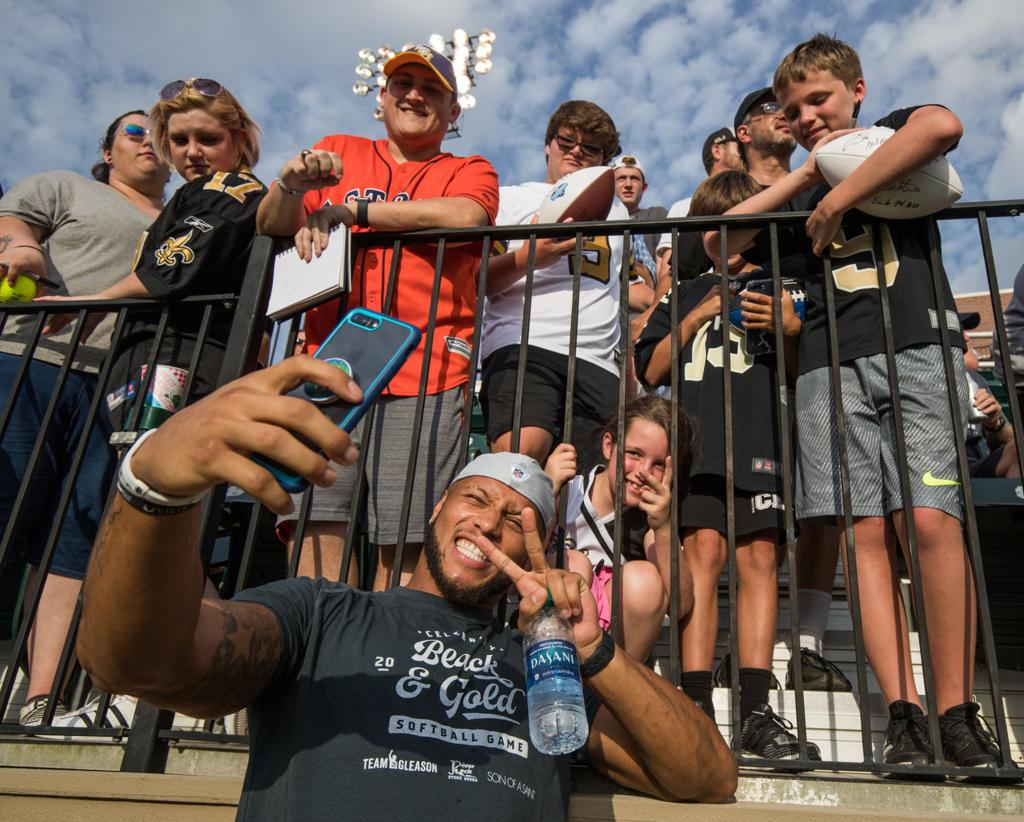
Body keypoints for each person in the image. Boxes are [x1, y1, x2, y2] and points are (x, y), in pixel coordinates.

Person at [75, 355, 738, 820]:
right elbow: (131, 663)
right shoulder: (323, 613)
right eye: (475, 498)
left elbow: (708, 776)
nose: (490, 521)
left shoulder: (545, 669)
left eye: (518, 520)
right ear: (435, 512)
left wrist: (594, 652)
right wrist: (152, 490)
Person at [706, 32, 1017, 773]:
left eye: (818, 99)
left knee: (932, 525)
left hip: (917, 348)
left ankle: (957, 709)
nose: (808, 114)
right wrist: (811, 174)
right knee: (864, 537)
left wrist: (842, 191)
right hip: (829, 366)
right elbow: (723, 244)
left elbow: (943, 127)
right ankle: (904, 713)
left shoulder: (896, 137)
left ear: (857, 90)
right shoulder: (804, 176)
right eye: (791, 109)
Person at [255, 45, 499, 590]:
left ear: (453, 111)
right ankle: (317, 658)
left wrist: (353, 212)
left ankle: (381, 667)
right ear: (382, 99)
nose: (414, 94)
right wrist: (292, 185)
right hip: (328, 370)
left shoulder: (469, 168)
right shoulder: (337, 151)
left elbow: (469, 214)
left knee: (408, 536)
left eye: (431, 88)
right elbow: (270, 225)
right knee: (314, 522)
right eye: (402, 84)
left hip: (427, 370)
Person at [635, 171, 816, 761]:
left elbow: (799, 368)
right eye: (720, 226)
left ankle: (757, 709)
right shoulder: (681, 291)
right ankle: (693, 701)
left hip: (761, 434)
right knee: (703, 553)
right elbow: (650, 370)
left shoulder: (782, 285)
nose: (732, 238)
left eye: (745, 226)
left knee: (761, 556)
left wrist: (787, 329)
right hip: (698, 442)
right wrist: (698, 310)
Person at [0, 109, 168, 726]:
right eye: (133, 130)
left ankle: (41, 695)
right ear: (107, 149)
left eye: (158, 131)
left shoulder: (180, 220)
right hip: (30, 358)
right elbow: (12, 218)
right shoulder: (70, 187)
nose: (148, 138)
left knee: (74, 540)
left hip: (117, 387)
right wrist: (20, 244)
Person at [43, 79, 266, 429]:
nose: (192, 152)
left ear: (239, 140)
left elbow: (171, 267)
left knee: (154, 472)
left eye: (208, 139)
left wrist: (98, 302)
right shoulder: (195, 192)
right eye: (179, 140)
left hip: (183, 356)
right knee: (133, 470)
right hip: (152, 355)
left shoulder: (233, 189)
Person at [735, 85, 851, 694]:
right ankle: (744, 645)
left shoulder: (830, 184)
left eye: (788, 110)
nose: (783, 118)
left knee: (824, 500)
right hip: (749, 368)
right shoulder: (732, 194)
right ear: (741, 136)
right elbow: (712, 254)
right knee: (750, 503)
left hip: (821, 349)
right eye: (766, 112)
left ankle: (806, 644)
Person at [481, 100, 649, 473]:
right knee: (520, 462)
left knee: (592, 487)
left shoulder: (618, 212)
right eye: (567, 141)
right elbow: (477, 281)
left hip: (599, 361)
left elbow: (622, 294)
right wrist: (528, 258)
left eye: (590, 148)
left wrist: (630, 366)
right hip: (525, 341)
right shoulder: (510, 198)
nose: (576, 152)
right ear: (548, 144)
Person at [544, 395, 694, 662]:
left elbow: (680, 606)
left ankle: (614, 697)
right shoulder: (568, 490)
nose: (643, 472)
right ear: (608, 445)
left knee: (644, 579)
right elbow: (521, 564)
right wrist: (546, 493)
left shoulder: (649, 520)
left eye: (658, 464)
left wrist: (663, 527)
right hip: (550, 640)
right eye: (634, 454)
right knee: (574, 564)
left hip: (614, 655)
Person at [962, 312, 1019, 478]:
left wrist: (994, 424)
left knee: (1018, 449)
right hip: (939, 472)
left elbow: (1008, 441)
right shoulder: (920, 380)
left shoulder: (975, 379)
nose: (967, 338)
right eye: (960, 330)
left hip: (980, 465)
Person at [611, 154, 665, 286]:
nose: (628, 184)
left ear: (644, 187)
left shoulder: (657, 214)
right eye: (621, 179)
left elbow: (665, 267)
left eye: (634, 179)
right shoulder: (600, 217)